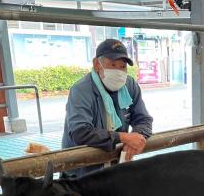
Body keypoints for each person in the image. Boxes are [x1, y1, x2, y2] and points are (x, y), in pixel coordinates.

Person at [62, 39, 153, 177]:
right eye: (113, 65)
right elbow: (80, 131)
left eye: (122, 67)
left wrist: (136, 138)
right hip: (82, 173)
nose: (118, 72)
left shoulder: (129, 85)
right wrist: (123, 137)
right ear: (97, 64)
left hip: (116, 168)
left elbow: (144, 119)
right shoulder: (81, 90)